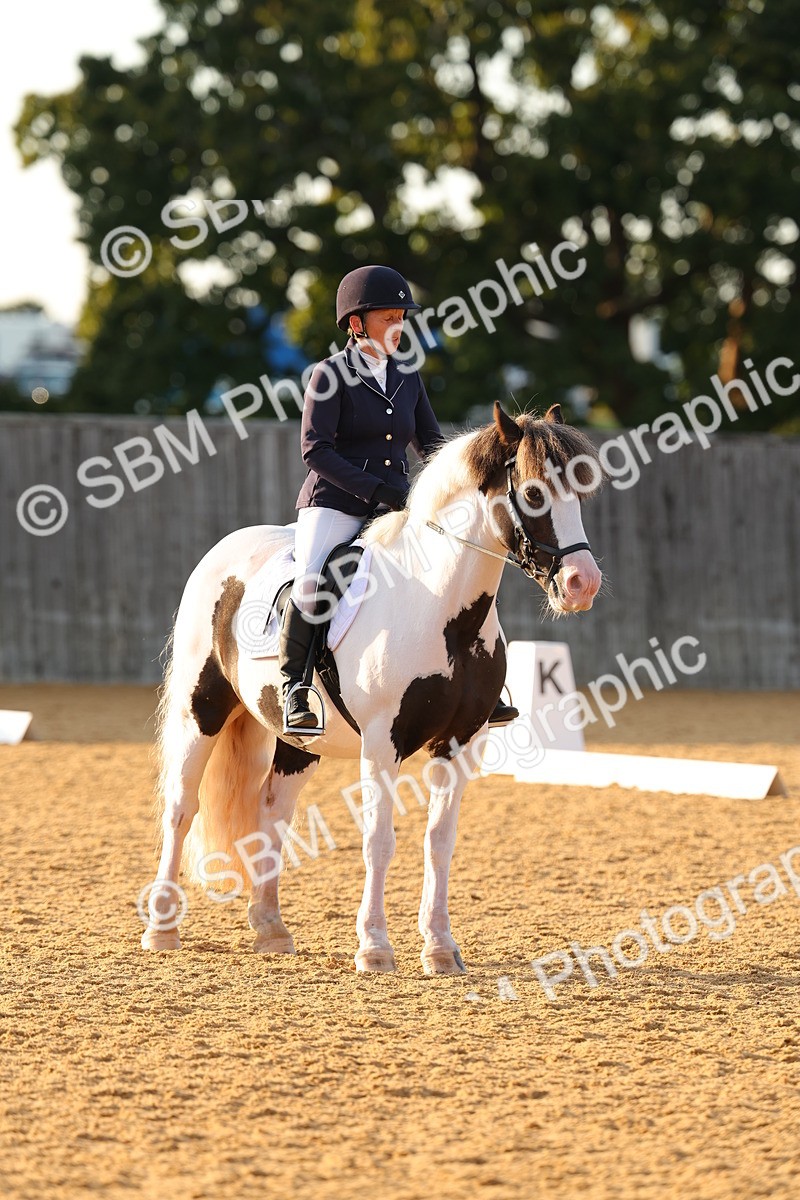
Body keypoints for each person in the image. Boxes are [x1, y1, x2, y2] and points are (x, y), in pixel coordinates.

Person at [278, 264, 518, 734]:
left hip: (398, 506)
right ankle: (295, 687)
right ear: (356, 323)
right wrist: (375, 489)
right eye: (388, 318)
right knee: (312, 582)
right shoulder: (329, 375)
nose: (398, 327)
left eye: (401, 317)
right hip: (335, 504)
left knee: (461, 570)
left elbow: (430, 445)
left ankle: (485, 682)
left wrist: (451, 487)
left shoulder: (407, 376)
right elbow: (315, 450)